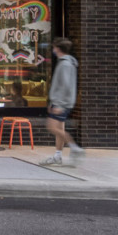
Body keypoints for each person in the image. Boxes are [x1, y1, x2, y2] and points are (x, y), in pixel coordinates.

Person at [41, 38, 84, 167]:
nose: (53, 50)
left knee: (52, 127)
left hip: (61, 103)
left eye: (54, 47)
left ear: (58, 49)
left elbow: (65, 86)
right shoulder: (67, 63)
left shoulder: (65, 64)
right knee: (60, 129)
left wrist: (59, 104)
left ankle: (75, 147)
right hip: (61, 102)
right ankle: (58, 155)